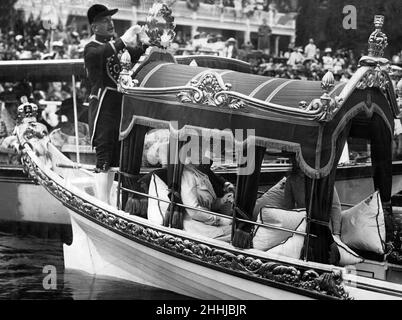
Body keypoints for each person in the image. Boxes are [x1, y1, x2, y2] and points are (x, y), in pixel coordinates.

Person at [84, 4, 147, 204]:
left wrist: (148, 43)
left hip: (120, 106)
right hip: (104, 107)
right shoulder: (91, 48)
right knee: (104, 157)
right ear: (95, 28)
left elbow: (135, 54)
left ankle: (109, 203)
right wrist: (123, 40)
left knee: (115, 160)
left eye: (110, 19)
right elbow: (100, 54)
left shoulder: (115, 45)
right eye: (104, 20)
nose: (110, 23)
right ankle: (102, 205)